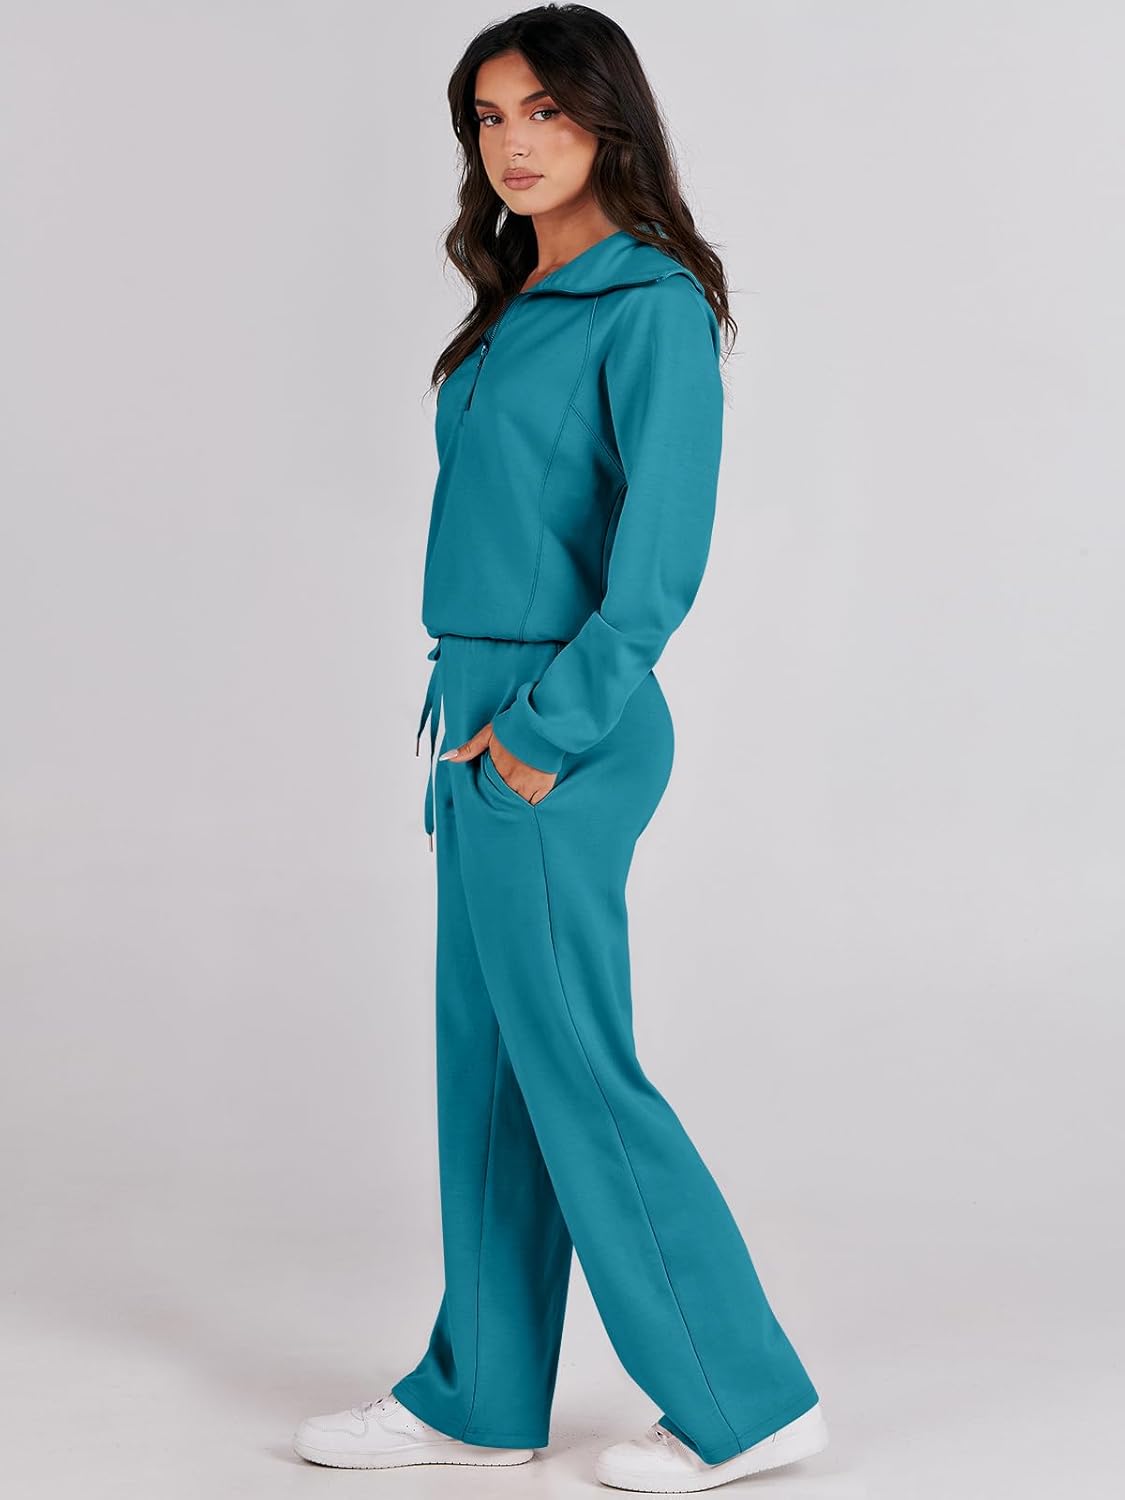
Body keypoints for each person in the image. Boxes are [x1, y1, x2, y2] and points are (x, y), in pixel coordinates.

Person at [293, 5, 829, 1492]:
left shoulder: (647, 302)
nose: (514, 142)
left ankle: (743, 1398)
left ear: (608, 119)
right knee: (489, 1067)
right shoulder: (513, 302)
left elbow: (655, 563)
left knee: (576, 1064)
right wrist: (483, 728)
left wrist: (542, 732)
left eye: (544, 109)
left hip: (557, 721)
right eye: (488, 116)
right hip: (475, 712)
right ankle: (481, 1395)